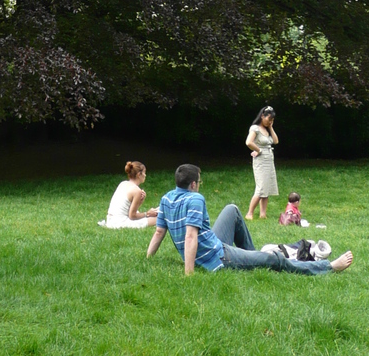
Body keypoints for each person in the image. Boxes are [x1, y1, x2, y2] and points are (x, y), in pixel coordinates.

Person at [146, 163, 353, 276]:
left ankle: (252, 256)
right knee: (273, 259)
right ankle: (327, 267)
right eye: (199, 182)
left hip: (208, 246)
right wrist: (189, 273)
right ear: (192, 184)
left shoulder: (166, 198)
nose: (199, 185)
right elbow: (191, 236)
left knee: (232, 209)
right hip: (216, 257)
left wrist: (148, 259)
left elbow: (159, 232)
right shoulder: (195, 199)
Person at [246, 106, 279, 219]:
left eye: (272, 120)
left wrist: (271, 127)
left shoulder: (267, 129)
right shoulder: (255, 128)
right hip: (261, 160)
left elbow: (275, 141)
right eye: (269, 119)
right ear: (262, 116)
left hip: (269, 159)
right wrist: (258, 150)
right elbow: (248, 142)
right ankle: (249, 213)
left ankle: (263, 214)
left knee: (267, 188)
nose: (270, 121)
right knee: (261, 188)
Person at [104, 160, 159, 228]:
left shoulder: (123, 183)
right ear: (139, 175)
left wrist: (140, 201)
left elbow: (129, 209)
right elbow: (132, 216)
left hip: (110, 220)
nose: (145, 175)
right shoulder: (136, 190)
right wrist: (147, 214)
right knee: (159, 219)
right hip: (120, 223)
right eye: (144, 173)